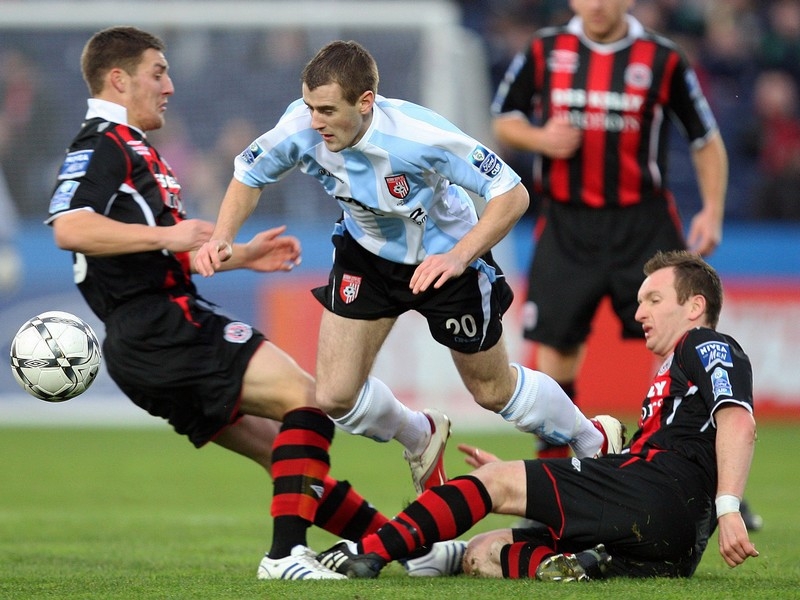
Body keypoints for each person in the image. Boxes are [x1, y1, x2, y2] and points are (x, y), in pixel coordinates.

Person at [45, 26, 465, 582]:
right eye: (158, 72)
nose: (169, 86)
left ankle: (403, 549)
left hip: (142, 344)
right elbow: (70, 227)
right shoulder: (103, 142)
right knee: (312, 402)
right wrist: (166, 238)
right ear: (118, 80)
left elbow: (149, 250)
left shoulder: (132, 146)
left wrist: (241, 256)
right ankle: (285, 556)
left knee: (285, 454)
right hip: (160, 324)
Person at [193, 39, 625, 498]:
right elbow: (249, 173)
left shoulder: (419, 135)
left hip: (446, 261)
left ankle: (592, 437)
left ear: (365, 103)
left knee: (492, 390)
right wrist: (223, 236)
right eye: (308, 106)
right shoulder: (300, 128)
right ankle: (420, 434)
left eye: (326, 110)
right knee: (335, 396)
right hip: (367, 255)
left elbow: (512, 193)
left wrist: (460, 255)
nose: (314, 121)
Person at [317, 250, 760, 581]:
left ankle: (367, 553)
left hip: (654, 494)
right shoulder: (677, 370)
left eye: (654, 300)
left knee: (493, 485)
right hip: (673, 545)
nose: (640, 312)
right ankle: (571, 567)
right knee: (484, 553)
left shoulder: (704, 344)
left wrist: (729, 509)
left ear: (695, 307)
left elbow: (738, 421)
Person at [490, 1, 726, 457]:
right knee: (556, 347)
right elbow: (504, 119)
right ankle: (556, 475)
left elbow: (705, 138)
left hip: (643, 222)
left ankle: (695, 467)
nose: (596, 4)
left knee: (680, 342)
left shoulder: (662, 58)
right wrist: (541, 138)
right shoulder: (545, 48)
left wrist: (712, 209)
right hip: (566, 220)